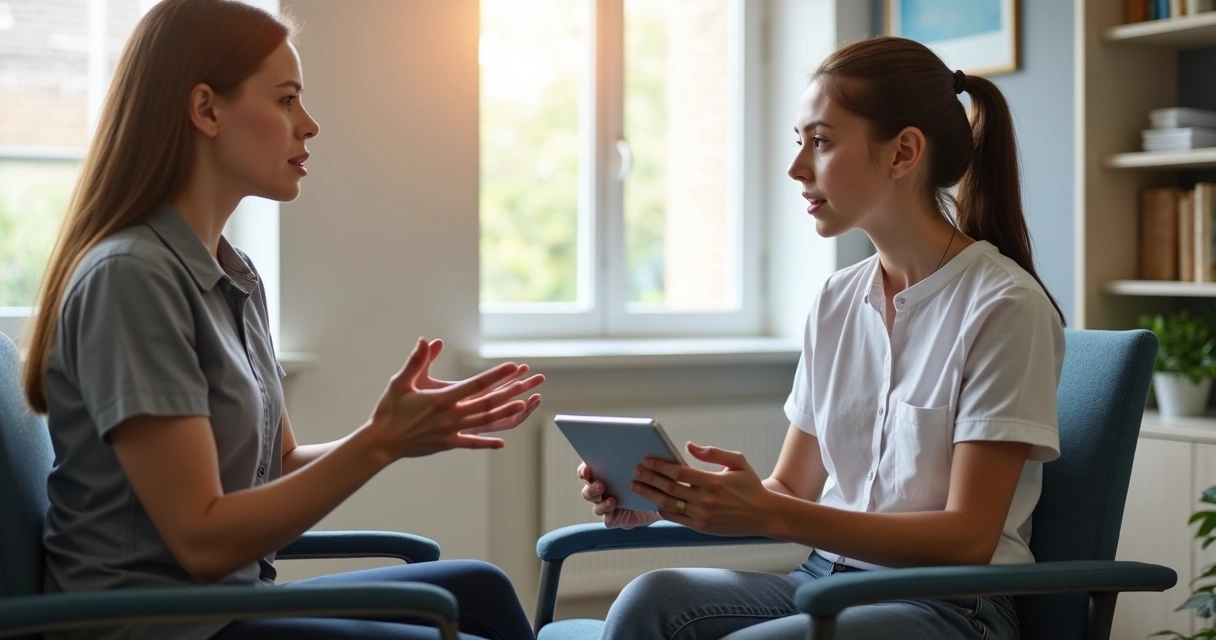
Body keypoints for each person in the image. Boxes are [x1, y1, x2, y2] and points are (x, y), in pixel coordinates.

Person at [21, 1, 541, 639]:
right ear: (207, 109)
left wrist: (401, 433)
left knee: (477, 590)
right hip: (156, 627)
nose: (311, 125)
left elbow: (283, 464)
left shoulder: (230, 273)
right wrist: (379, 445)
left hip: (226, 606)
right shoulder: (132, 277)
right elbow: (203, 541)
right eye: (288, 100)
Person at [577, 35, 1066, 640]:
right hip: (824, 580)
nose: (796, 167)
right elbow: (790, 488)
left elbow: (967, 538)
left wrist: (772, 510)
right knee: (647, 600)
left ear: (903, 152)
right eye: (799, 140)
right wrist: (668, 500)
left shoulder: (1004, 306)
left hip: (947, 605)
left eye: (822, 141)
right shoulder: (836, 301)